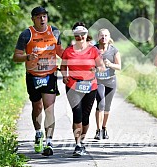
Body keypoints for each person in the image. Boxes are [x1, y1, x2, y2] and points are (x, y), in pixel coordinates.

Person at [13, 6, 64, 156]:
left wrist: (73, 56)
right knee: (37, 107)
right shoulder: (26, 34)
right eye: (39, 16)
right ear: (33, 19)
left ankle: (49, 142)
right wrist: (27, 57)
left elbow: (60, 51)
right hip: (33, 76)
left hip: (49, 75)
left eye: (44, 16)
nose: (42, 19)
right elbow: (16, 56)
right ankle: (38, 133)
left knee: (49, 108)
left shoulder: (54, 32)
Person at [60, 22, 105, 156]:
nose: (80, 37)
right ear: (75, 36)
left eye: (82, 35)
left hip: (90, 86)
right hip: (73, 86)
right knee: (77, 115)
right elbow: (63, 66)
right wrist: (64, 76)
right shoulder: (69, 51)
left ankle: (82, 140)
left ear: (86, 35)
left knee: (85, 118)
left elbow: (102, 67)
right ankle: (78, 144)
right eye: (77, 36)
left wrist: (96, 69)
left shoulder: (93, 50)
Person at [94, 29, 121, 140]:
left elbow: (119, 67)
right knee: (101, 103)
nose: (103, 37)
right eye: (101, 35)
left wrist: (110, 64)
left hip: (110, 80)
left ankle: (104, 128)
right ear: (98, 37)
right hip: (98, 81)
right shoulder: (94, 49)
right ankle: (98, 130)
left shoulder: (114, 50)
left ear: (109, 37)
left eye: (106, 35)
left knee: (107, 106)